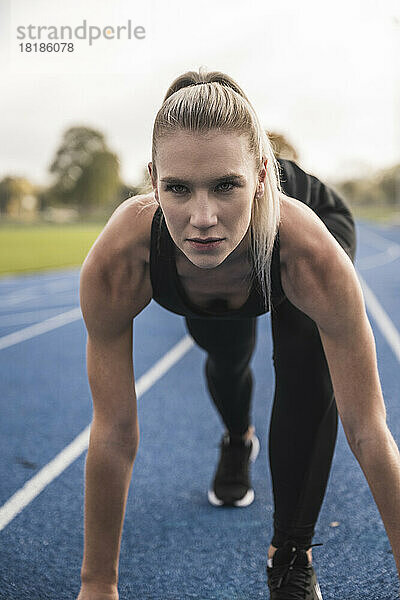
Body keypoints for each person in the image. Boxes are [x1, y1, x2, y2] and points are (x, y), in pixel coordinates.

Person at [76, 68, 400, 600]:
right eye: (178, 189)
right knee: (226, 357)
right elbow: (112, 430)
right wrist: (97, 585)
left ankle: (291, 556)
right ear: (154, 180)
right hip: (213, 272)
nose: (202, 218)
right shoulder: (120, 261)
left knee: (304, 361)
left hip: (298, 232)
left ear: (263, 175)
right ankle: (236, 438)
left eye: (227, 185)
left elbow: (367, 429)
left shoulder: (308, 253)